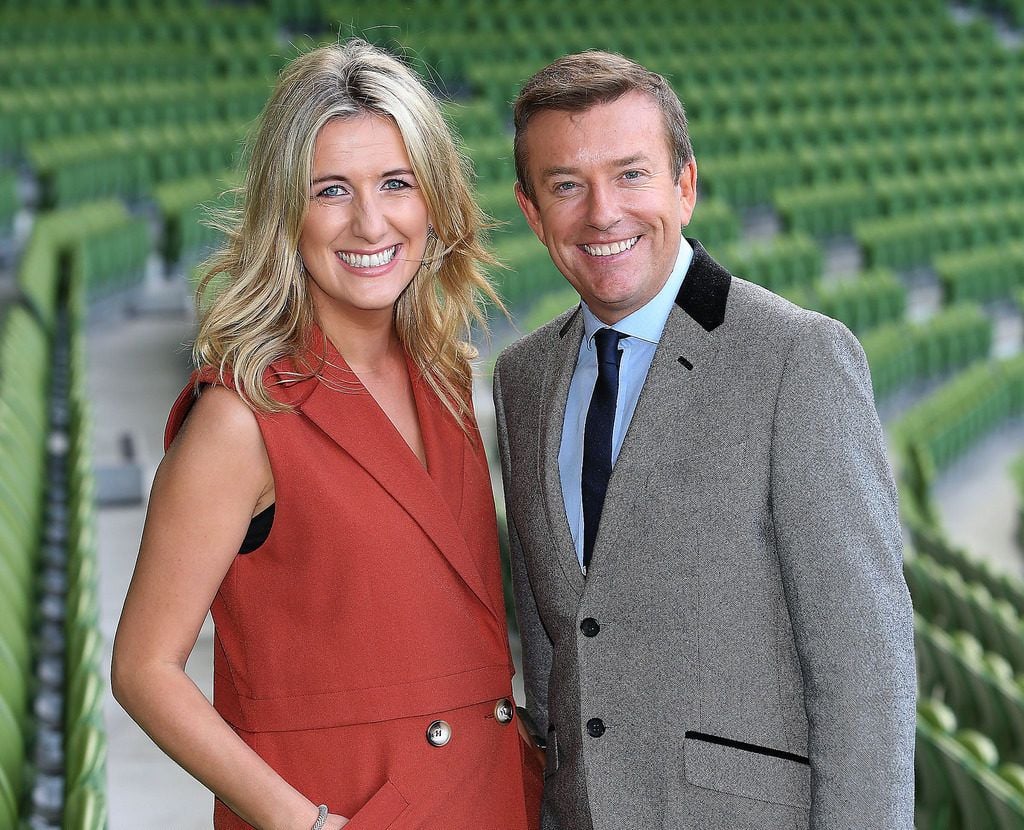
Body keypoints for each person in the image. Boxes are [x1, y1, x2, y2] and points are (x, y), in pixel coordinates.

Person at [112, 40, 540, 830]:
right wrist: (296, 822)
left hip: (488, 802)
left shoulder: (444, 378)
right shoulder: (238, 419)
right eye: (332, 190)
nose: (370, 221)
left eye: (396, 184)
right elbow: (144, 669)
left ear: (434, 202)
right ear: (286, 212)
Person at [492, 50, 916, 830]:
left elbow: (868, 675)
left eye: (631, 174)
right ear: (531, 211)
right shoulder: (521, 382)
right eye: (566, 186)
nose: (602, 213)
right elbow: (558, 651)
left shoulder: (797, 358)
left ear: (684, 186)